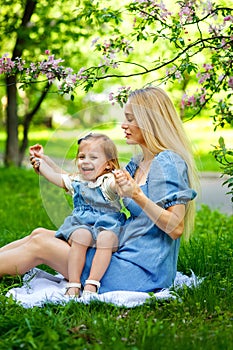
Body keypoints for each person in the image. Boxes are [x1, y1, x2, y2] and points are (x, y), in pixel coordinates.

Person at [0, 86, 198, 294]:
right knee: (39, 234)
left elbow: (175, 228)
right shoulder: (139, 162)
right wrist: (46, 165)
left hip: (139, 271)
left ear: (150, 122)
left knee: (41, 244)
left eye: (131, 119)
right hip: (120, 253)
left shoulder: (167, 163)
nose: (124, 125)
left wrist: (137, 196)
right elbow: (90, 185)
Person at [29, 133, 126, 297]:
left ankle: (92, 283)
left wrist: (121, 179)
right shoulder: (78, 181)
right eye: (81, 156)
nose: (85, 161)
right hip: (81, 225)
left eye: (93, 157)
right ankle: (73, 283)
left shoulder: (107, 181)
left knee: (107, 238)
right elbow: (56, 176)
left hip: (107, 226)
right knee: (81, 235)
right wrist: (41, 162)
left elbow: (118, 186)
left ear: (108, 165)